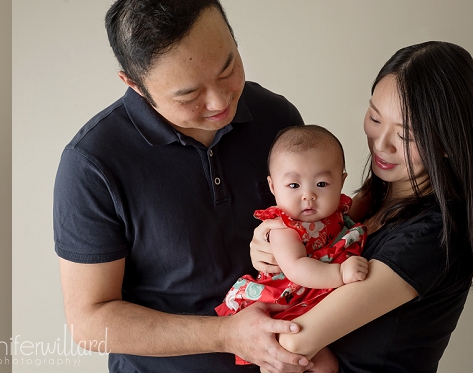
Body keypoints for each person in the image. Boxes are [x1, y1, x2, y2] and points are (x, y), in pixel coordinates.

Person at [54, 1, 318, 372]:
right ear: (134, 83)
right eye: (189, 95)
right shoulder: (92, 163)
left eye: (228, 68)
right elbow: (89, 321)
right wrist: (226, 334)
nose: (220, 100)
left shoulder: (278, 118)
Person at [250, 41, 473, 373]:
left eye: (406, 136)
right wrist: (268, 239)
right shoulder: (375, 197)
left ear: (447, 142)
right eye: (375, 117)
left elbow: (295, 342)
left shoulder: (432, 236)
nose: (381, 144)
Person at [215, 125, 368, 365]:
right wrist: (340, 272)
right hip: (290, 301)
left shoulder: (339, 213)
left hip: (320, 297)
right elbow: (296, 267)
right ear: (273, 187)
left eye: (321, 184)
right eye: (294, 186)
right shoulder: (283, 228)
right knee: (319, 363)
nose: (308, 195)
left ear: (341, 181)